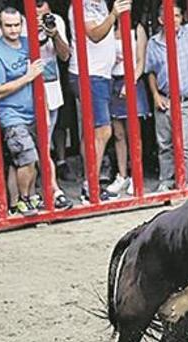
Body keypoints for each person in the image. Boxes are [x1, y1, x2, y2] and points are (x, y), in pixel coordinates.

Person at [68, 0, 131, 201]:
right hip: (89, 74)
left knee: (92, 131)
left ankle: (90, 184)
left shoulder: (100, 3)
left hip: (100, 74)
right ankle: (90, 187)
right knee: (103, 131)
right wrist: (114, 15)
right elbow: (94, 35)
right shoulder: (81, 6)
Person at [146, 1, 188, 191]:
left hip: (186, 100)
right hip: (164, 99)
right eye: (170, 16)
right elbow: (151, 72)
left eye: (178, 16)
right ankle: (167, 181)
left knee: (183, 141)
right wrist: (155, 95)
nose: (174, 20)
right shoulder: (153, 43)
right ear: (160, 20)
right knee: (164, 143)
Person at [0, 7, 44, 217]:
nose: (13, 30)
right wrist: (28, 77)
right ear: (0, 26)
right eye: (8, 25)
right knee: (27, 157)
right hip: (11, 114)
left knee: (20, 161)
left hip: (33, 112)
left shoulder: (28, 43)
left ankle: (18, 202)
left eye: (16, 25)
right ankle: (24, 200)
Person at [35, 0, 74, 209]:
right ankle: (51, 190)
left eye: (41, 5)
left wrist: (53, 33)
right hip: (23, 93)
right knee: (36, 145)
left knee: (44, 143)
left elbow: (65, 54)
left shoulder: (55, 21)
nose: (39, 11)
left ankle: (46, 190)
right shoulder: (17, 23)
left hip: (51, 92)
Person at [106, 17, 148, 196]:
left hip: (132, 81)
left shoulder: (137, 28)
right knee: (118, 134)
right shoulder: (108, 27)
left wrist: (130, 82)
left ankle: (136, 175)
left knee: (134, 134)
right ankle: (122, 176)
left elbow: (141, 61)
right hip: (112, 81)